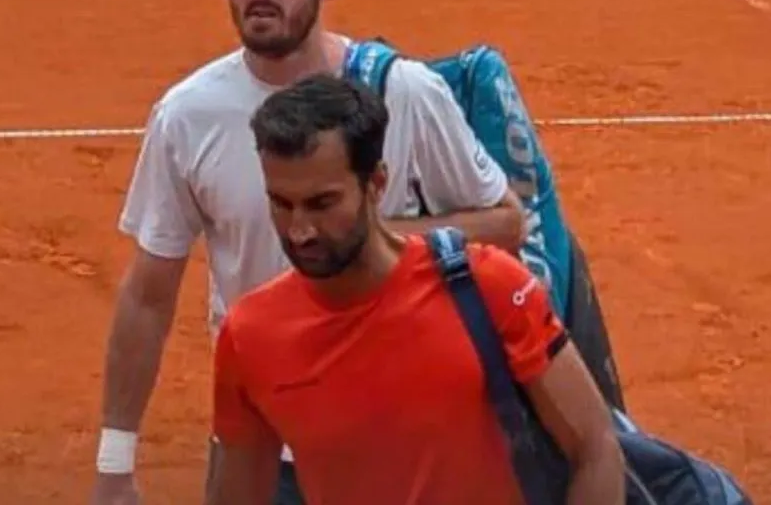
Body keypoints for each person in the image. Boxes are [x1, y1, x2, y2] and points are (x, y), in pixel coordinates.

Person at [89, 0, 526, 503]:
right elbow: (148, 295)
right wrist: (114, 462)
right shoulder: (186, 117)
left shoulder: (407, 94)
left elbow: (505, 224)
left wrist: (372, 240)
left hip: (400, 442)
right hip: (259, 445)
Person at [206, 73, 625, 505]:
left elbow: (595, 448)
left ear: (376, 184)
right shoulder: (250, 336)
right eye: (281, 203)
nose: (299, 231)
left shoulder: (492, 287)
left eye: (322, 203)